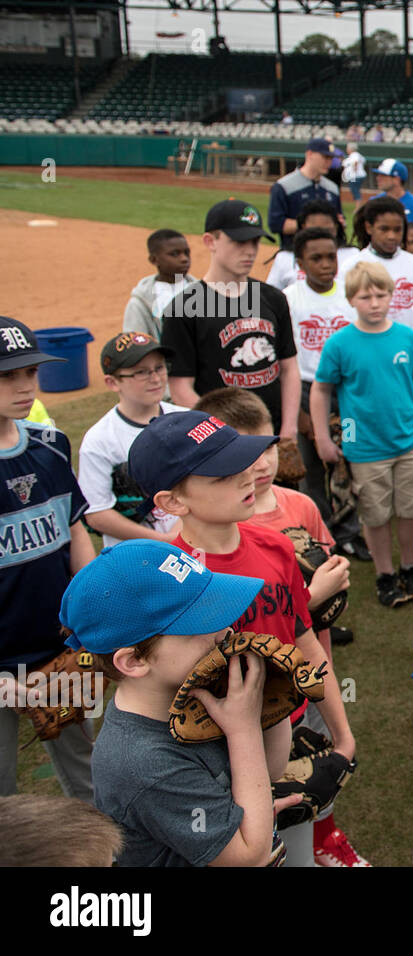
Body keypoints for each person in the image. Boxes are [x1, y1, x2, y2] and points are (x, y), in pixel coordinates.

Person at [126, 409, 358, 861]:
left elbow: (303, 641)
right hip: (212, 759)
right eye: (221, 474)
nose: (247, 475)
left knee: (298, 855)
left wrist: (343, 736)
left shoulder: (275, 547)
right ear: (172, 502)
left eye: (243, 460)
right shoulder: (166, 582)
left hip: (286, 726)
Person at [191, 386, 363, 865]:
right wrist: (312, 597)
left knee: (299, 826)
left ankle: (323, 839)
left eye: (264, 448)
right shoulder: (176, 568)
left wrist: (343, 736)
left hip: (291, 704)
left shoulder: (291, 520)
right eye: (233, 462)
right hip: (218, 744)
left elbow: (305, 636)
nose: (256, 467)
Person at [60, 540, 290, 865]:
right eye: (201, 622)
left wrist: (270, 701)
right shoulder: (141, 764)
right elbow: (249, 856)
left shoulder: (199, 692)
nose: (225, 632)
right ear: (134, 662)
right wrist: (245, 730)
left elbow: (271, 769)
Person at [0, 317, 95, 802]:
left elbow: (75, 531)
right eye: (7, 375)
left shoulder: (50, 445)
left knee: (87, 773)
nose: (24, 386)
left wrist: (90, 617)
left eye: (29, 372)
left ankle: (107, 861)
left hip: (58, 647)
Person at [313, 262, 413, 608]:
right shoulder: (340, 344)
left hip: (411, 440)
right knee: (375, 515)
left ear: (392, 296)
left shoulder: (407, 337)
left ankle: (410, 566)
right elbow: (321, 391)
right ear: (351, 299)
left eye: (381, 294)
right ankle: (384, 573)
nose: (375, 302)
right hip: (363, 445)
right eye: (365, 296)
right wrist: (323, 437)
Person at [161, 200, 300, 443]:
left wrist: (289, 428)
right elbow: (181, 387)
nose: (250, 251)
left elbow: (288, 368)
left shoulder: (273, 298)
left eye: (255, 241)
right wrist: (222, 435)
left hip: (272, 435)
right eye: (239, 242)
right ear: (210, 241)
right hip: (219, 442)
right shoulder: (184, 308)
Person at [283, 226, 360, 539]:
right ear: (300, 263)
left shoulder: (349, 295)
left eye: (331, 256)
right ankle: (318, 531)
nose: (326, 264)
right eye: (316, 258)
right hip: (304, 390)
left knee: (350, 457)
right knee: (310, 465)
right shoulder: (288, 299)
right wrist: (301, 416)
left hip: (346, 394)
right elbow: (282, 360)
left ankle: (349, 529)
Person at [80, 333, 186, 547]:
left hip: (195, 546)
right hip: (135, 558)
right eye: (141, 372)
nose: (156, 378)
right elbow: (97, 514)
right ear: (112, 382)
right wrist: (164, 541)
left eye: (159, 367)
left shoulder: (187, 419)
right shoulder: (99, 441)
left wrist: (182, 529)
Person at [346, 195, 413, 337]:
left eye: (397, 230)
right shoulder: (352, 266)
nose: (391, 236)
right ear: (369, 228)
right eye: (384, 229)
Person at [266, 199, 358, 291]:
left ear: (337, 228)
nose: (321, 238)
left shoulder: (352, 255)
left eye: (327, 231)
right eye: (315, 231)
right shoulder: (285, 257)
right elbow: (265, 296)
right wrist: (253, 304)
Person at [268, 137, 342, 251]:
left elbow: (339, 220)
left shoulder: (332, 188)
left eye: (331, 158)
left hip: (326, 253)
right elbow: (276, 224)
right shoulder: (284, 186)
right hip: (293, 254)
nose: (329, 162)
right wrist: (315, 225)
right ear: (310, 154)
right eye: (325, 157)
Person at [123, 229, 196, 342]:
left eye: (186, 253)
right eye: (175, 254)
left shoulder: (204, 292)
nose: (184, 259)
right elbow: (134, 347)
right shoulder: (139, 304)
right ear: (154, 260)